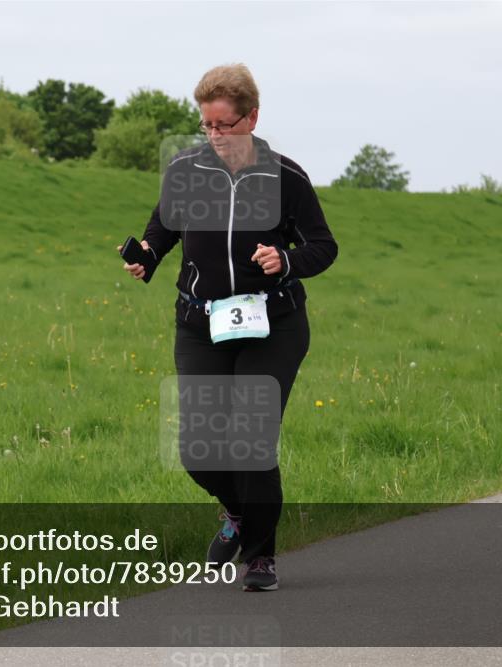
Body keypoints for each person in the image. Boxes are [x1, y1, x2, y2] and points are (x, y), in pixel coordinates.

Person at [117, 63, 338, 591]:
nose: (214, 136)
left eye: (224, 125)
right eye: (206, 126)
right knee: (198, 448)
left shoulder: (285, 176)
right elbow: (164, 228)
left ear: (252, 118)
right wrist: (146, 256)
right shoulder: (187, 169)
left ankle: (260, 557)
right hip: (202, 323)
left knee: (251, 441)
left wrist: (285, 260)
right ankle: (240, 514)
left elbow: (322, 247)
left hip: (272, 324)